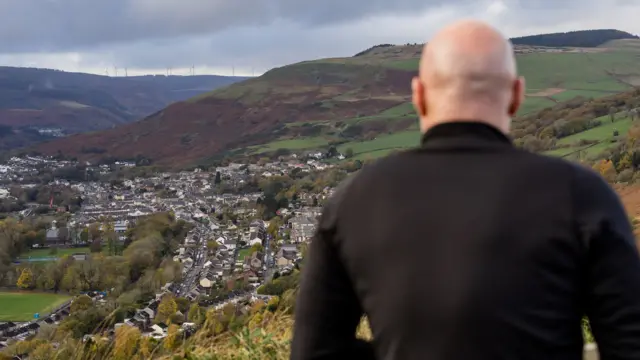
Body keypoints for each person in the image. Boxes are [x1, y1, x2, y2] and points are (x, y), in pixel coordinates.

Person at [290, 19, 640, 360]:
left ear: (419, 95)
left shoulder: (355, 200)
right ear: (516, 95)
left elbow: (314, 351)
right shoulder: (581, 195)